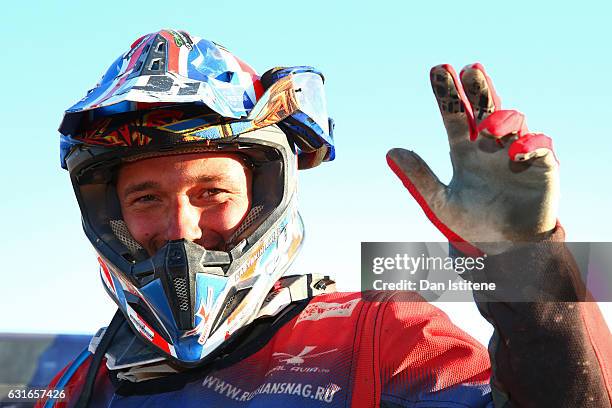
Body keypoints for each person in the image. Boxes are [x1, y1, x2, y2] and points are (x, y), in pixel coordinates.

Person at [37, 29, 610, 407]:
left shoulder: (379, 331)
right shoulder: (83, 379)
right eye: (145, 199)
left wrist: (527, 264)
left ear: (266, 198)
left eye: (212, 191)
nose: (183, 227)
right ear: (111, 216)